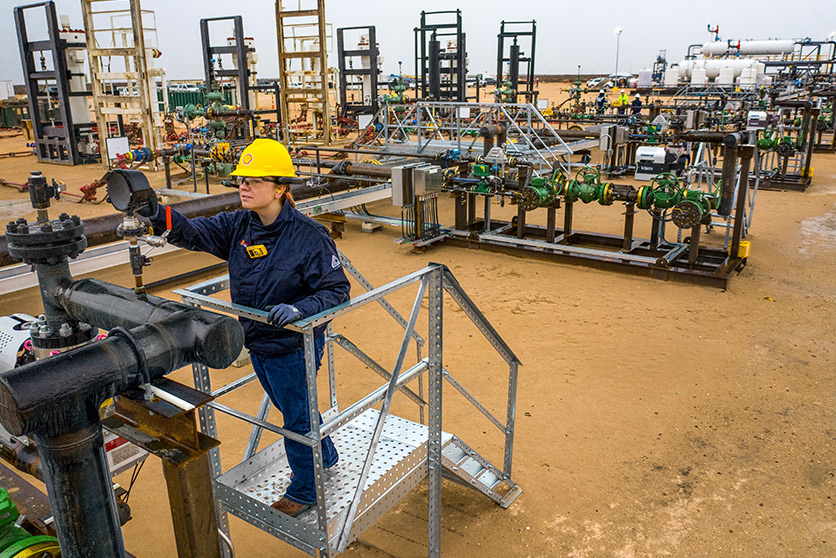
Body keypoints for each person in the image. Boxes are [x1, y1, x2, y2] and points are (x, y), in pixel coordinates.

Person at [144, 138, 350, 517]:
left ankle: (307, 489)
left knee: (297, 417)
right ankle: (327, 454)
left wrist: (300, 308)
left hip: (293, 346)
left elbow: (338, 290)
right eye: (241, 179)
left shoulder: (309, 237)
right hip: (257, 340)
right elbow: (194, 233)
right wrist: (156, 213)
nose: (243, 186)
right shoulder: (239, 224)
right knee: (294, 406)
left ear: (280, 188)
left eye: (254, 180)